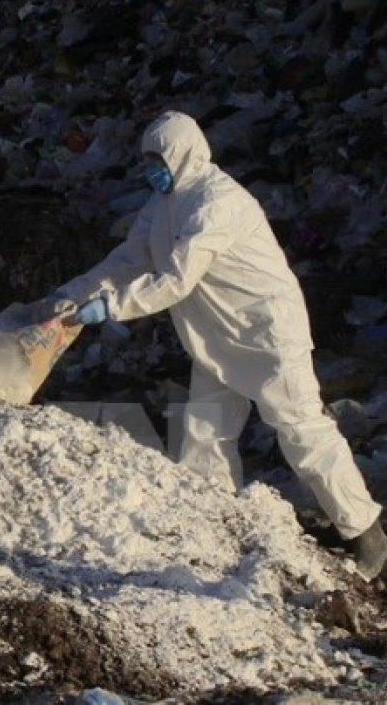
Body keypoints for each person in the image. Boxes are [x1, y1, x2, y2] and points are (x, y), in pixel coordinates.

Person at [41, 110, 387, 581]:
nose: (151, 170)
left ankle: (364, 530)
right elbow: (128, 258)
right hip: (215, 336)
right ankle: (217, 525)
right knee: (204, 435)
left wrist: (110, 308)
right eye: (147, 161)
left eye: (158, 159)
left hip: (266, 335)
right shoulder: (163, 203)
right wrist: (72, 295)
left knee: (302, 431)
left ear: (184, 154)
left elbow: (177, 279)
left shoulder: (216, 202)